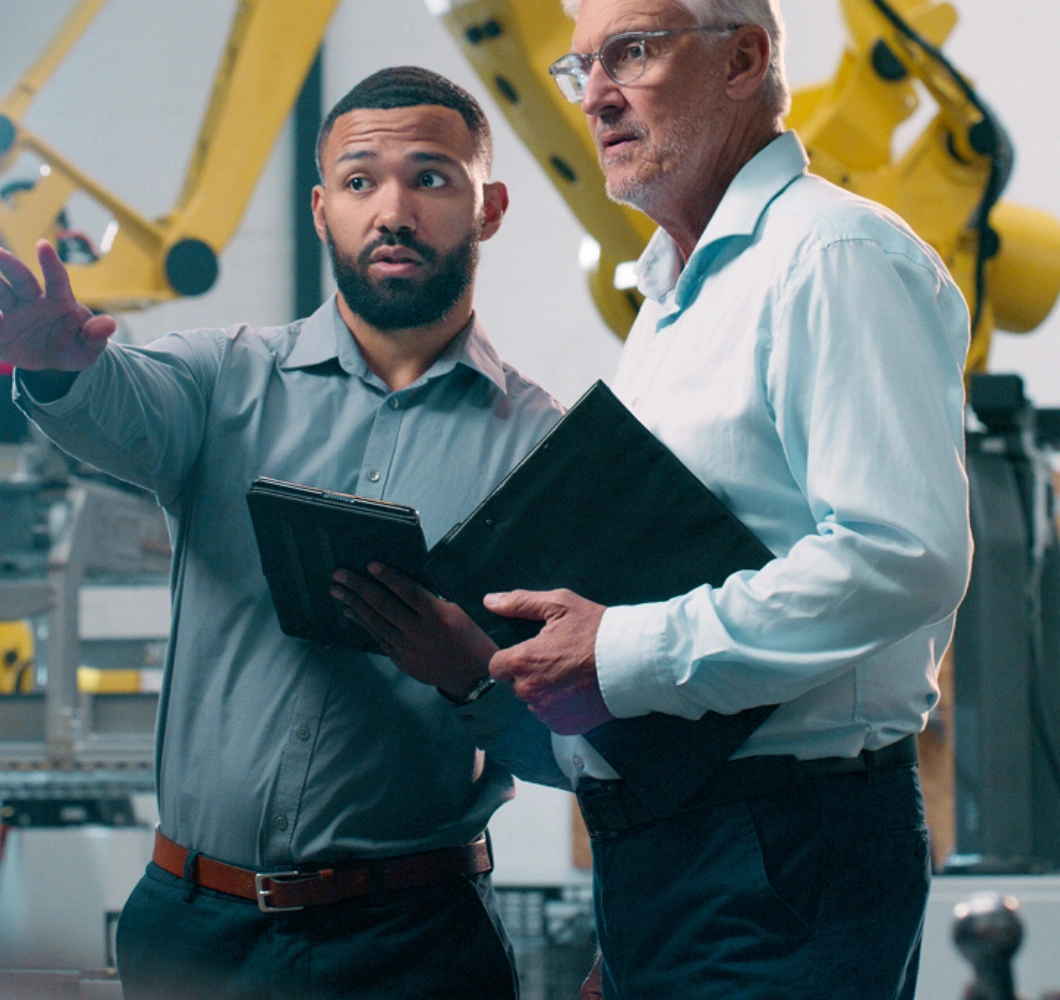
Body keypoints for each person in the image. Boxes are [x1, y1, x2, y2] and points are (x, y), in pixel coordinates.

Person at [332, 2, 972, 998]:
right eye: (580, 67)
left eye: (632, 51)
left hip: (781, 850)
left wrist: (620, 647)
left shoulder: (834, 257)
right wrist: (489, 672)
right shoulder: (672, 302)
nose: (595, 95)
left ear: (745, 60)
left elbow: (904, 556)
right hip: (672, 859)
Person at [0, 66, 564, 1000]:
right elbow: (116, 401)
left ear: (489, 206)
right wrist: (57, 372)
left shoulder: (544, 453)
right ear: (322, 210)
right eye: (361, 182)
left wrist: (471, 676)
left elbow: (588, 742)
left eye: (431, 177)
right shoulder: (219, 379)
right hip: (190, 933)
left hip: (416, 942)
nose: (392, 210)